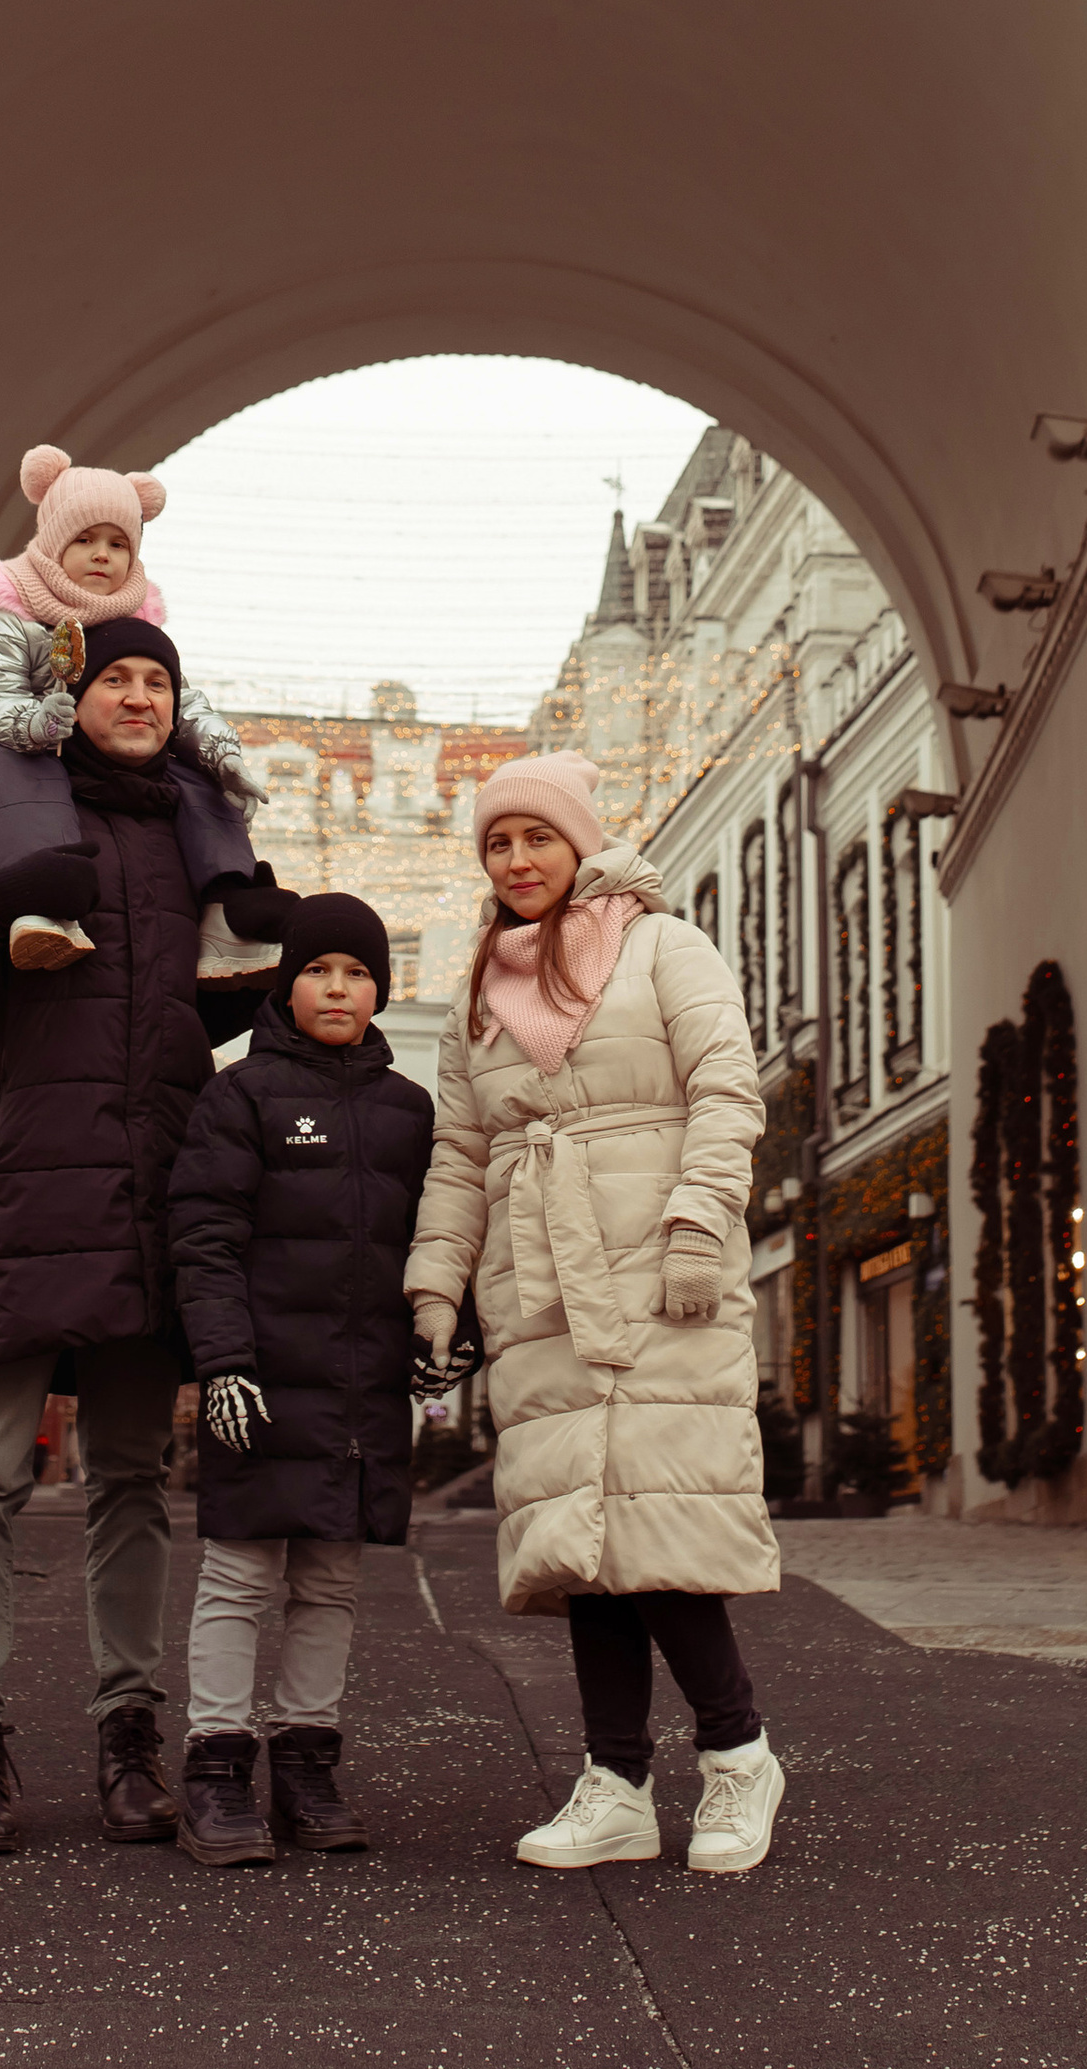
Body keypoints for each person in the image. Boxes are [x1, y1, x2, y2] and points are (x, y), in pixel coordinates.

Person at [0, 612, 285, 1855]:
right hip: (21, 1185)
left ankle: (126, 1734)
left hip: (146, 1191)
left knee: (129, 1481)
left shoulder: (196, 837)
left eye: (160, 681)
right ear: (75, 693)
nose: (142, 698)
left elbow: (215, 1002)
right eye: (119, 679)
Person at [405, 750, 786, 1876]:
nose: (517, 861)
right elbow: (460, 1151)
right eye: (496, 844)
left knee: (660, 1526)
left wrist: (695, 1227)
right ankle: (615, 1782)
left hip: (663, 1267)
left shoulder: (667, 947)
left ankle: (737, 1754)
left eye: (536, 838)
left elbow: (727, 1088)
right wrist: (436, 1282)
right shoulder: (479, 990)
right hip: (540, 1284)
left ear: (581, 843)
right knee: (583, 1534)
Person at [164, 893, 434, 1866]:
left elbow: (433, 1243)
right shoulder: (238, 1096)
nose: (337, 987)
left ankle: (307, 1762)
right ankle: (216, 1770)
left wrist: (448, 1332)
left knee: (329, 1579)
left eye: (357, 973)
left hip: (360, 1393)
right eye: (319, 969)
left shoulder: (409, 1112)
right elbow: (205, 1237)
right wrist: (222, 1360)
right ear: (288, 982)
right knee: (238, 1574)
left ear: (379, 990)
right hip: (264, 1380)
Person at [0, 444, 264, 967]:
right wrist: (36, 723)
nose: (102, 554)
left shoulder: (135, 625)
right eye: (84, 539)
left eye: (117, 543)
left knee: (198, 780)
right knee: (11, 766)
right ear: (51, 543)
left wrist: (223, 754)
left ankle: (227, 911)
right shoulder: (9, 617)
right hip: (1, 753)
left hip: (95, 761)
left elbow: (179, 700)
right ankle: (40, 906)